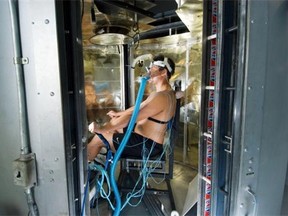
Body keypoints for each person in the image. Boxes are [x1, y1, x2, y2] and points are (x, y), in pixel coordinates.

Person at [87, 54, 176, 162]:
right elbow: (140, 107)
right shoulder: (167, 93)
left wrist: (101, 129)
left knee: (99, 138)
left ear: (163, 72)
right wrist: (120, 114)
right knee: (114, 122)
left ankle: (85, 172)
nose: (149, 72)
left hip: (146, 145)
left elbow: (131, 118)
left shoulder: (160, 97)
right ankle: (97, 156)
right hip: (144, 139)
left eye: (153, 69)